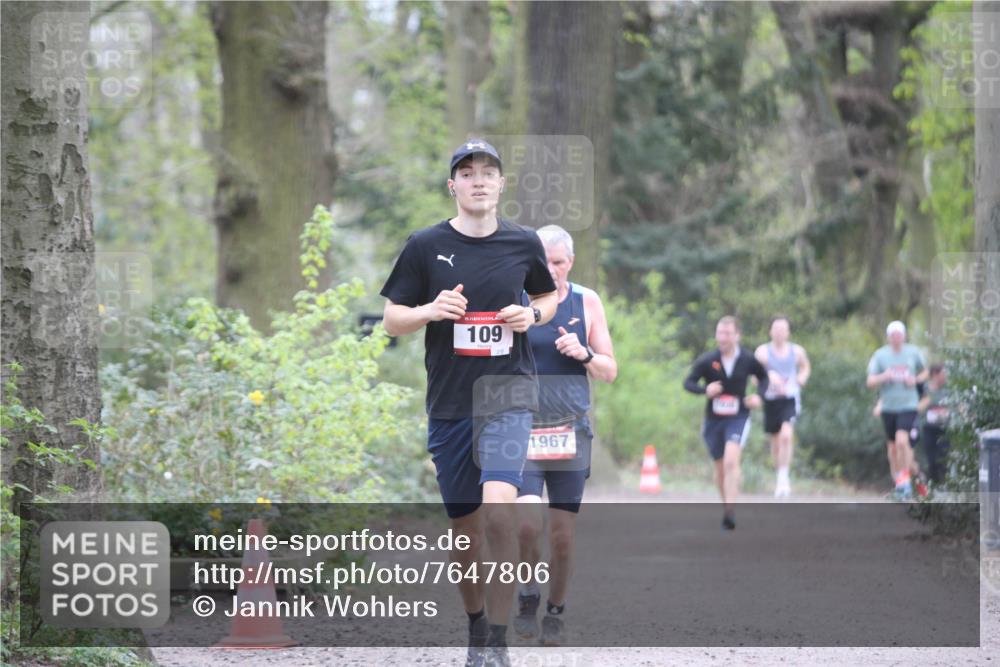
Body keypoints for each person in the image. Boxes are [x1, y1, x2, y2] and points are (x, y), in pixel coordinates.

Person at [380, 139, 558, 667]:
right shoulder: (424, 245)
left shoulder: (524, 243)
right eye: (467, 172)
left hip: (509, 394)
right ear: (452, 186)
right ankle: (477, 625)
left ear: (501, 184)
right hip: (451, 402)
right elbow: (392, 320)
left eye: (488, 172)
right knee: (466, 531)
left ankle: (498, 642)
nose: (478, 180)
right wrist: (432, 309)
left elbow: (546, 297)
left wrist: (535, 317)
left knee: (501, 511)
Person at [512, 225, 617, 646]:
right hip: (522, 430)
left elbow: (610, 370)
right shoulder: (516, 300)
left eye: (558, 262)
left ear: (569, 263)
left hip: (570, 432)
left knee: (562, 536)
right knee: (524, 524)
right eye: (544, 262)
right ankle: (526, 596)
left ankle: (555, 610)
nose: (551, 270)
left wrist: (586, 353)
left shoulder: (586, 301)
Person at [683, 316, 769, 530]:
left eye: (727, 333)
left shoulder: (748, 359)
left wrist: (759, 396)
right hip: (714, 421)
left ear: (737, 335)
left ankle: (730, 512)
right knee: (720, 468)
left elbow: (764, 378)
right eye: (719, 333)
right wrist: (706, 390)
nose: (722, 337)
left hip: (738, 417)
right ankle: (726, 507)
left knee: (732, 461)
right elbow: (688, 383)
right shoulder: (707, 360)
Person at [866, 321, 928, 499]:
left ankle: (905, 483)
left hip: (909, 405)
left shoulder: (913, 352)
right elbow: (870, 381)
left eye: (899, 334)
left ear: (904, 336)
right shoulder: (880, 355)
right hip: (888, 407)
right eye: (893, 335)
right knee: (893, 448)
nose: (896, 338)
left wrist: (915, 380)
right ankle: (909, 480)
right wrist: (883, 376)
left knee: (902, 441)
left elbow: (926, 373)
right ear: (888, 337)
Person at [754, 316, 810, 498]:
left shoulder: (797, 351)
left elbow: (805, 366)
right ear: (770, 331)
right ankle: (779, 476)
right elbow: (755, 376)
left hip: (790, 398)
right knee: (776, 442)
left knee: (787, 436)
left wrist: (802, 378)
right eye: (775, 329)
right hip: (771, 399)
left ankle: (784, 478)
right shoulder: (762, 352)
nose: (779, 332)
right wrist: (768, 376)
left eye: (782, 329)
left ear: (788, 332)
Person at [918, 363, 951, 485]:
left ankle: (945, 486)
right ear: (935, 375)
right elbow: (917, 408)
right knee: (931, 460)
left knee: (944, 458)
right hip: (928, 429)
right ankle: (932, 486)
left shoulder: (949, 389)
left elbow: (957, 406)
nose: (945, 377)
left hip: (944, 429)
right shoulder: (924, 389)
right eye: (943, 374)